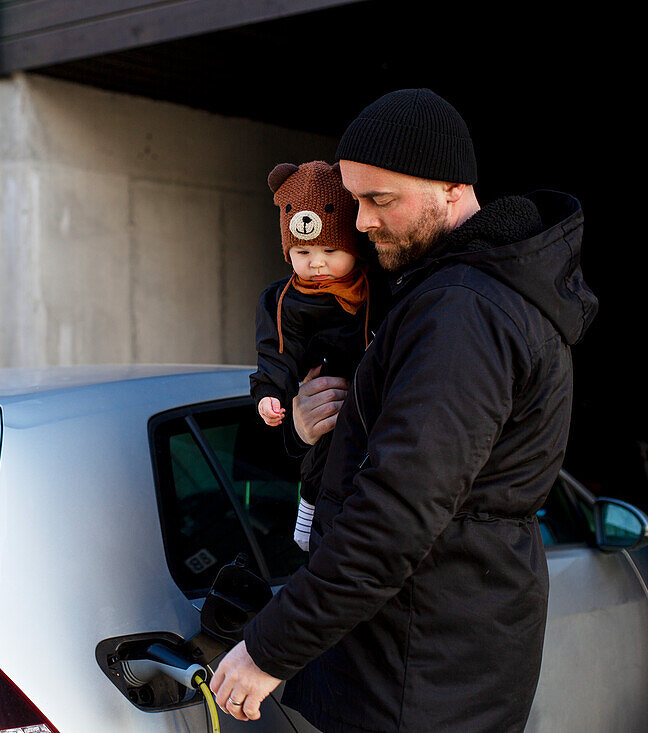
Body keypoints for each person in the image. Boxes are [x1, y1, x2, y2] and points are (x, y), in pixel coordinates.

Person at [210, 88, 599, 732]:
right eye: (353, 198)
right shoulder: (437, 292)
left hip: (421, 670)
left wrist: (269, 648)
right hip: (423, 654)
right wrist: (306, 429)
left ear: (450, 188)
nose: (359, 222)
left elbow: (396, 510)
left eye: (378, 200)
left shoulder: (463, 313)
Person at [250, 160, 374, 552]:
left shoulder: (378, 286)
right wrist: (269, 393)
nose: (316, 263)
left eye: (330, 249)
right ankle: (307, 515)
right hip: (325, 389)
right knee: (323, 449)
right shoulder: (285, 300)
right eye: (302, 251)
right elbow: (277, 352)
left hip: (367, 394)